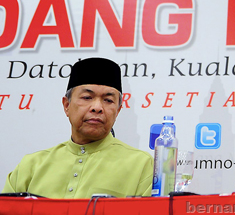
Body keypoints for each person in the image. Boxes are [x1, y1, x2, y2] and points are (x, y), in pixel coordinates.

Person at [2, 57, 153, 198]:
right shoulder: (30, 166)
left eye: (108, 100)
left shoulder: (142, 166)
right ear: (66, 105)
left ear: (118, 110)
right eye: (87, 97)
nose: (97, 107)